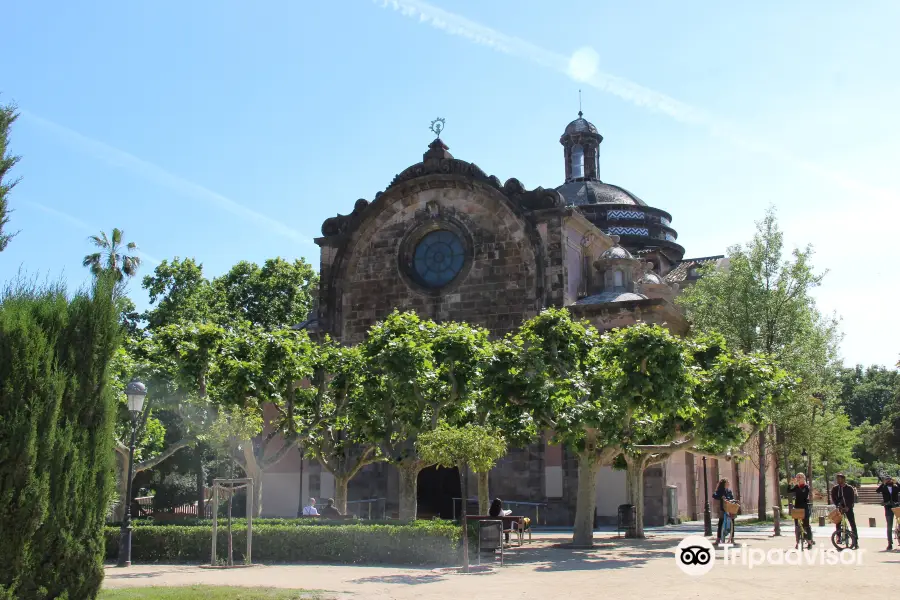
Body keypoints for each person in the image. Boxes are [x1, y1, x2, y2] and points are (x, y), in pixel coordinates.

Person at [830, 474, 858, 549]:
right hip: (840, 508)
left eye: (839, 479)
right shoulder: (835, 488)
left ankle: (856, 541)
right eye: (837, 479)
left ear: (843, 479)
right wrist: (837, 505)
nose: (838, 480)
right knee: (838, 522)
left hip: (848, 508)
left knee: (852, 523)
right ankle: (838, 537)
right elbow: (833, 497)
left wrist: (848, 507)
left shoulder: (849, 488)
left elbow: (852, 499)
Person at [788, 473, 814, 548]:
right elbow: (789, 491)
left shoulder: (806, 487)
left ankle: (809, 541)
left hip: (804, 508)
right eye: (797, 477)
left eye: (800, 477)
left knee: (806, 525)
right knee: (797, 526)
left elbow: (804, 495)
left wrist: (798, 486)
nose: (798, 478)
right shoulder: (796, 486)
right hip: (797, 507)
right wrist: (790, 483)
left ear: (804, 478)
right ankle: (797, 542)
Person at [876, 474, 900, 550]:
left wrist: (897, 482)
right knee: (889, 525)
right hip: (888, 507)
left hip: (896, 506)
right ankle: (890, 543)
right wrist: (883, 483)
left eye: (890, 479)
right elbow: (877, 491)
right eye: (887, 480)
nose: (889, 481)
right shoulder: (884, 487)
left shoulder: (895, 487)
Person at [711, 478, 735, 545]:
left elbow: (732, 498)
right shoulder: (720, 490)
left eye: (728, 483)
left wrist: (732, 500)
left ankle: (732, 539)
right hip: (723, 509)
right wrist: (721, 497)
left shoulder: (729, 491)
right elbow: (714, 495)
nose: (728, 484)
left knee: (732, 524)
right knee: (720, 523)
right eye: (727, 483)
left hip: (730, 509)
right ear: (724, 484)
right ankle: (718, 539)